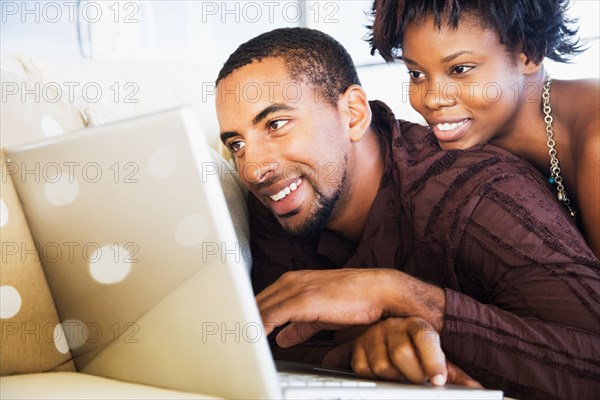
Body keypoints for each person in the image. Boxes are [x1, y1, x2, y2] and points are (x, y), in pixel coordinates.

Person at [214, 27, 600, 400]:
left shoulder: (477, 193)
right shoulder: (281, 202)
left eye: (276, 124)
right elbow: (267, 342)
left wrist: (403, 296)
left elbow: (592, 365)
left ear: (352, 113)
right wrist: (353, 352)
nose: (252, 168)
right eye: (237, 143)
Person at [367, 0, 600, 258]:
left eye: (459, 69)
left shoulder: (595, 138)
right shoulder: (462, 145)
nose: (432, 99)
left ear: (531, 53)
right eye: (417, 74)